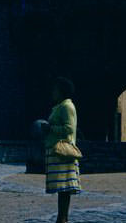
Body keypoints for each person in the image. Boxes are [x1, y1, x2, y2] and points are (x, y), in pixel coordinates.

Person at [41, 77, 80, 223]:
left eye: (55, 90)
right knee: (62, 189)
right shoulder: (60, 106)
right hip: (57, 153)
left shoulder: (66, 106)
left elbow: (69, 128)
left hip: (62, 153)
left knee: (64, 188)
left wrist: (50, 128)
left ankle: (62, 218)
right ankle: (61, 218)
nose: (53, 92)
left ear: (62, 91)